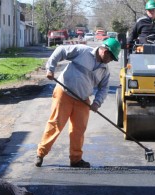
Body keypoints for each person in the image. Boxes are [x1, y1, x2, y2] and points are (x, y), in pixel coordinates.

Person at [36, 37, 121, 168]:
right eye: (111, 57)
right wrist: (50, 68)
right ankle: (40, 154)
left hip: (83, 100)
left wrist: (97, 103)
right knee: (55, 124)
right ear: (105, 51)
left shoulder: (105, 70)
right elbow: (60, 50)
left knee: (79, 130)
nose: (110, 61)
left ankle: (76, 159)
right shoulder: (82, 51)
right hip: (64, 93)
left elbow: (104, 88)